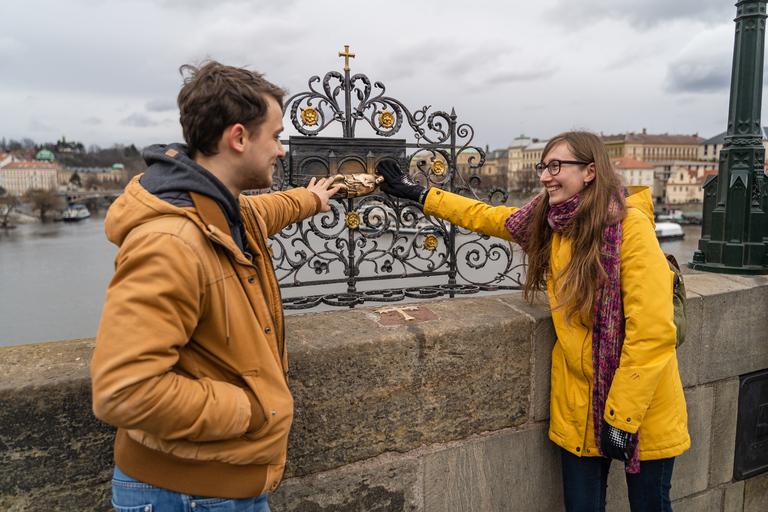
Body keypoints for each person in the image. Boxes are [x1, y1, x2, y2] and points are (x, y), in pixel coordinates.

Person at [377, 131, 690, 512]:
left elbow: (652, 332)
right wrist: (422, 195)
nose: (544, 176)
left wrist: (622, 419)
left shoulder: (629, 226)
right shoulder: (552, 220)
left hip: (643, 405)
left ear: (590, 171)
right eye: (544, 166)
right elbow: (487, 216)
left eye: (556, 166)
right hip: (577, 403)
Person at [90, 61, 341, 511]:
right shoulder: (170, 242)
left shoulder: (222, 211)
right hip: (184, 494)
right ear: (239, 137)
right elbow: (123, 391)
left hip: (214, 487)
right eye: (277, 136)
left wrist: (313, 198)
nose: (283, 150)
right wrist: (251, 407)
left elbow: (269, 210)